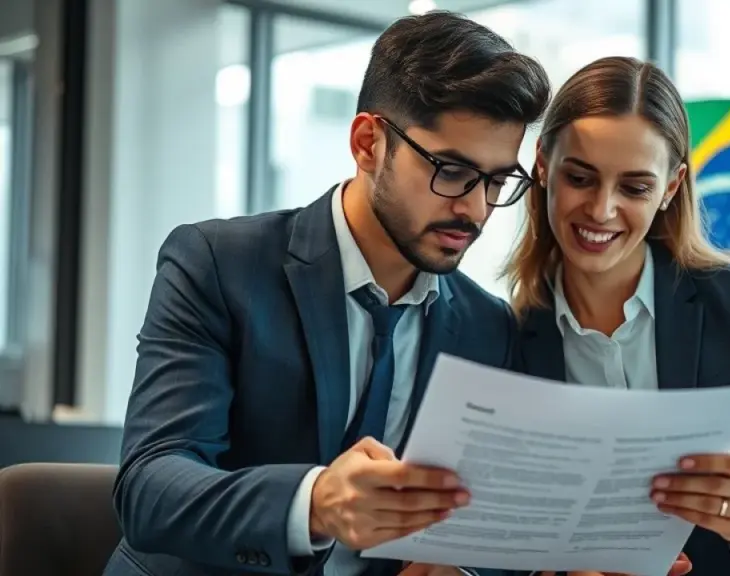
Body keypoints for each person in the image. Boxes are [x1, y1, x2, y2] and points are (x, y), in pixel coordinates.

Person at [103, 11, 550, 576]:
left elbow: (484, 518)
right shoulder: (219, 264)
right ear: (368, 143)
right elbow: (149, 487)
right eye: (452, 171)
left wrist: (456, 567)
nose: (476, 208)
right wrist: (314, 503)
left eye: (497, 181)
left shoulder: (488, 326)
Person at [502, 56, 730, 576]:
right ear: (542, 165)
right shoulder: (503, 337)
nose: (601, 210)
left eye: (634, 188)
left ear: (671, 188)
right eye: (580, 178)